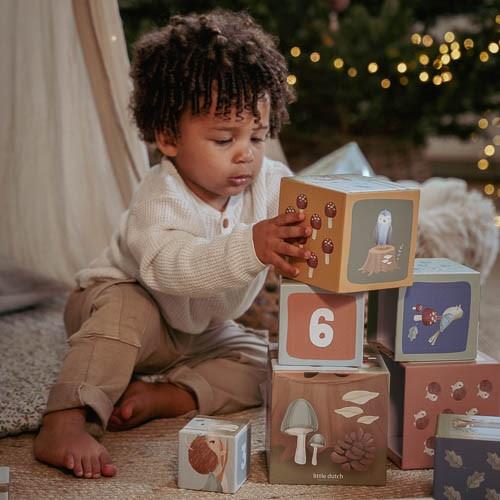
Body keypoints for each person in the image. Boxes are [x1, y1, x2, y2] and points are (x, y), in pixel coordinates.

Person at [34, 9, 311, 479]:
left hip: (196, 331)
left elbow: (303, 212)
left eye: (258, 137)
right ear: (168, 137)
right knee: (127, 310)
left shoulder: (267, 183)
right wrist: (253, 247)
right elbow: (169, 268)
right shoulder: (161, 195)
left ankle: (172, 395)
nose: (246, 152)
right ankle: (65, 419)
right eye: (225, 139)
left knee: (264, 362)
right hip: (123, 304)